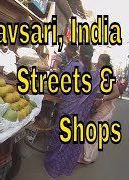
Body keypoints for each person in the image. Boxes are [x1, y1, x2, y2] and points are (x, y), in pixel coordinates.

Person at [44, 44, 100, 178]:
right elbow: (93, 96)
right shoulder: (96, 73)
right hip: (81, 114)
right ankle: (65, 166)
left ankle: (54, 166)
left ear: (79, 52)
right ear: (91, 55)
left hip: (68, 109)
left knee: (61, 136)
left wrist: (56, 68)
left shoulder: (74, 66)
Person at [78, 54, 120, 164]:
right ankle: (87, 156)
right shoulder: (98, 73)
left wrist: (104, 98)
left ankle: (88, 157)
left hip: (104, 109)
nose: (98, 62)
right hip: (96, 107)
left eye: (99, 60)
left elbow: (116, 93)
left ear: (105, 62)